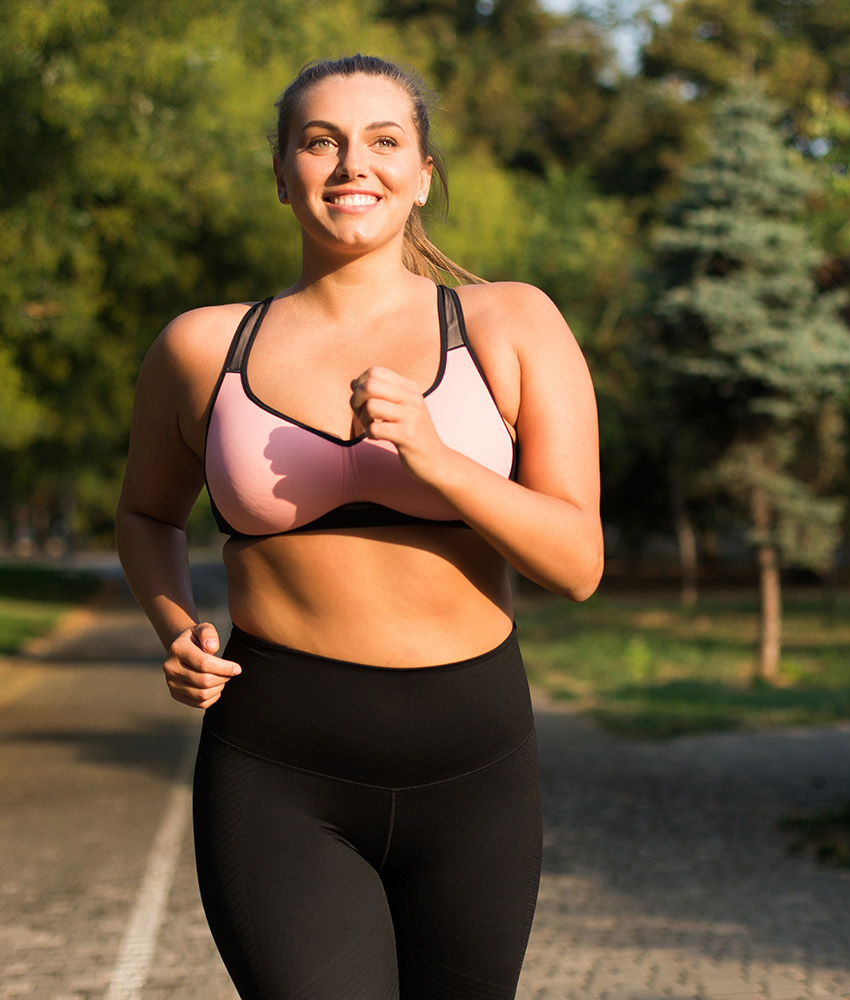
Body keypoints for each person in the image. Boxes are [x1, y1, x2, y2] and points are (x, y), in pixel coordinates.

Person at [114, 53, 601, 1000]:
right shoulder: (200, 347)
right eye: (320, 141)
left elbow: (575, 563)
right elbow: (143, 514)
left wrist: (437, 456)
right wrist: (176, 628)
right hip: (278, 763)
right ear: (282, 173)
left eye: (384, 141)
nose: (351, 166)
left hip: (477, 766)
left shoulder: (511, 325)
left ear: (422, 177)